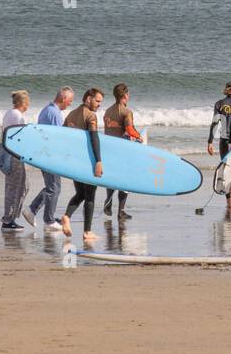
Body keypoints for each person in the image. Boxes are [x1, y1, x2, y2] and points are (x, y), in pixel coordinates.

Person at [26, 87, 74, 231]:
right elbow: (57, 137)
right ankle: (49, 221)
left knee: (52, 187)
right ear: (63, 98)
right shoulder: (54, 113)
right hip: (49, 155)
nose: (70, 104)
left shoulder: (47, 109)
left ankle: (32, 210)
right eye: (70, 101)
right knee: (54, 188)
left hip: (43, 153)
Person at [61, 87, 105, 241]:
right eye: (97, 101)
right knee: (90, 195)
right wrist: (98, 161)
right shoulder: (90, 116)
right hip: (87, 161)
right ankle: (87, 231)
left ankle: (66, 216)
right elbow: (94, 139)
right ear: (88, 99)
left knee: (80, 194)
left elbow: (63, 137)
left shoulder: (71, 114)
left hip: (74, 162)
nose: (99, 104)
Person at [102, 83, 144, 220]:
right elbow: (130, 130)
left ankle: (108, 201)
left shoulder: (107, 111)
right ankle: (121, 211)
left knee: (112, 178)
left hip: (108, 149)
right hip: (122, 150)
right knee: (125, 181)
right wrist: (140, 137)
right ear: (125, 95)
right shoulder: (126, 112)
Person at [207, 83, 231, 208]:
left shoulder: (219, 103)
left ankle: (228, 201)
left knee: (226, 168)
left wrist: (210, 142)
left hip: (224, 140)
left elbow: (215, 123)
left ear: (225, 91)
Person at [1, 90, 31, 230]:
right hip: (15, 155)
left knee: (15, 186)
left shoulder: (9, 113)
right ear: (22, 103)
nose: (29, 105)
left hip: (7, 152)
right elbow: (22, 137)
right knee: (19, 186)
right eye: (27, 102)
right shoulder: (18, 116)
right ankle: (8, 220)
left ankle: (10, 218)